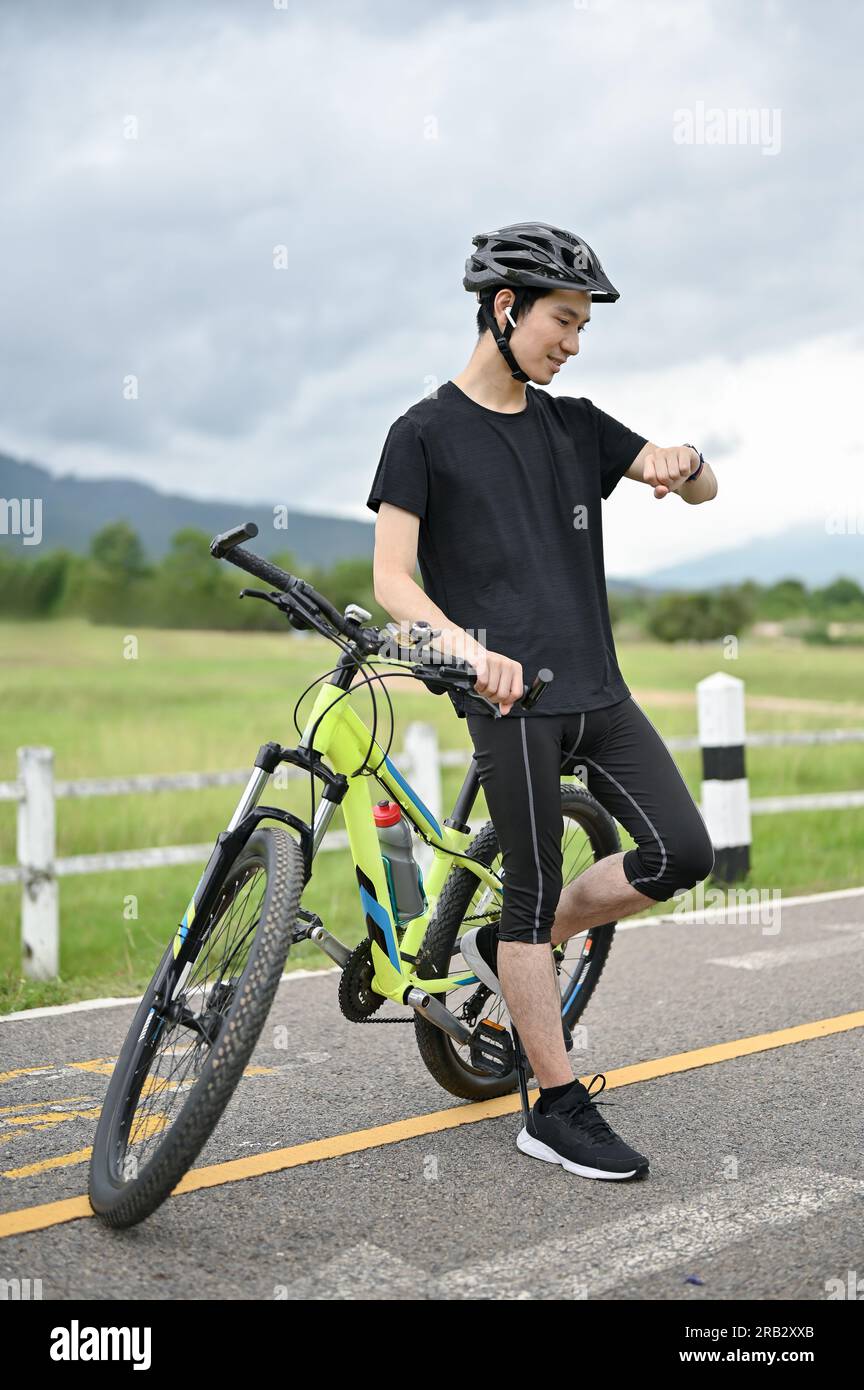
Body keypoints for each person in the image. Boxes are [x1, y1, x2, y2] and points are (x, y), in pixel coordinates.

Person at [366, 221, 718, 1182]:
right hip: (508, 699)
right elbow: (394, 580)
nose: (572, 341)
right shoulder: (423, 434)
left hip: (598, 690)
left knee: (681, 851)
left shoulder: (577, 425)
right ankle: (554, 1107)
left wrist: (682, 463)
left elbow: (703, 489)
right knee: (526, 891)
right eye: (562, 320)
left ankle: (510, 950)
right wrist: (468, 652)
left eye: (582, 327)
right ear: (505, 308)